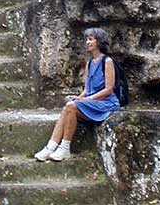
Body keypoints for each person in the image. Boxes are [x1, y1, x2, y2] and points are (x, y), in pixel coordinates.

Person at [34, 27, 121, 162]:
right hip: (92, 102)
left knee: (71, 107)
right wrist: (79, 98)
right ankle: (50, 147)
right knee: (68, 107)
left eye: (90, 39)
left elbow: (109, 89)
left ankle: (64, 148)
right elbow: (87, 89)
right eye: (86, 39)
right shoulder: (89, 63)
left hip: (107, 103)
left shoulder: (107, 61)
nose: (87, 42)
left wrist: (87, 100)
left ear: (99, 42)